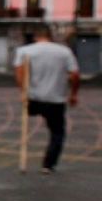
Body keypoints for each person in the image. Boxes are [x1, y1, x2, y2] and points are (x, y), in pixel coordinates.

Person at [14, 24, 81, 174]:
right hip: (55, 99)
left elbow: (19, 72)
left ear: (36, 36)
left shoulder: (25, 51)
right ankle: (48, 165)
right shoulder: (64, 52)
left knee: (28, 123)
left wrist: (23, 92)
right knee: (57, 132)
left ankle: (24, 162)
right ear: (50, 36)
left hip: (33, 98)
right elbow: (75, 74)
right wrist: (74, 94)